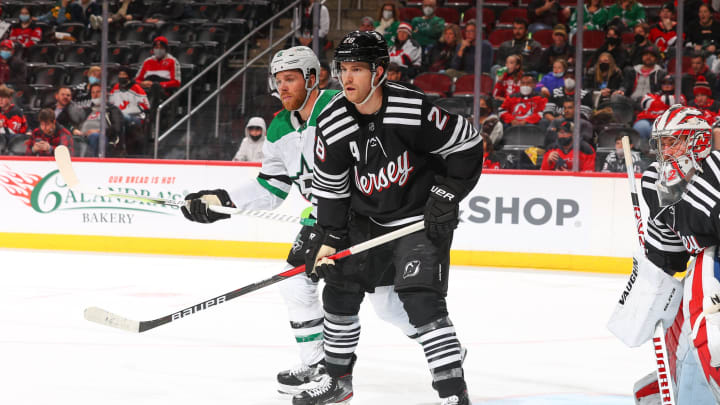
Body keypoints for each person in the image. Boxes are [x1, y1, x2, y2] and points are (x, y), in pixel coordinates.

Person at [180, 46, 417, 398]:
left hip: (366, 217)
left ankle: (437, 342)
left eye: (290, 79)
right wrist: (220, 201)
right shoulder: (277, 127)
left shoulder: (341, 107)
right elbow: (271, 187)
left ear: (311, 78)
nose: (283, 87)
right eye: (278, 81)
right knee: (299, 284)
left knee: (384, 303)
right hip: (323, 219)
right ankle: (318, 362)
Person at [295, 30, 479, 405]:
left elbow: (468, 144)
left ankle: (452, 394)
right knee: (339, 291)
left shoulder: (412, 109)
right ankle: (338, 381)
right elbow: (332, 190)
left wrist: (446, 194)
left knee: (421, 300)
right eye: (343, 68)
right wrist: (329, 237)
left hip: (418, 221)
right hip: (367, 223)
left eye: (358, 69)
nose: (347, 78)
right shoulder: (331, 124)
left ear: (379, 71)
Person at [607, 105, 720, 404]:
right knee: (688, 343)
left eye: (674, 141)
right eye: (662, 142)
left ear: (698, 141)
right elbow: (667, 256)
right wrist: (649, 291)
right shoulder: (655, 179)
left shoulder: (715, 169)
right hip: (706, 268)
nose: (666, 150)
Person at [135, 36, 181, 127]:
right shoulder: (147, 61)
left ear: (166, 49)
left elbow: (176, 82)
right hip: (146, 89)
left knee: (155, 88)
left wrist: (159, 84)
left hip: (164, 91)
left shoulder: (172, 61)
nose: (158, 50)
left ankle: (150, 121)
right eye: (156, 48)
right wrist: (142, 83)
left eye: (161, 48)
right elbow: (137, 79)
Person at [109, 67, 150, 156]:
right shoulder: (115, 87)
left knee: (121, 118)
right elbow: (110, 103)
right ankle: (117, 146)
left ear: (129, 76)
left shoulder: (136, 88)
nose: (121, 76)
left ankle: (121, 147)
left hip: (136, 117)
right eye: (120, 74)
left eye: (124, 74)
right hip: (119, 117)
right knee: (116, 118)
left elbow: (146, 106)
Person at [77, 83, 125, 156]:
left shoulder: (112, 110)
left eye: (98, 92)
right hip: (83, 137)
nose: (95, 95)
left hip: (103, 139)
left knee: (94, 136)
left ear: (105, 93)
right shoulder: (88, 111)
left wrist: (98, 131)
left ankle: (92, 163)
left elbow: (117, 128)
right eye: (93, 92)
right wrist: (75, 130)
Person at [633, 74, 685, 140]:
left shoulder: (679, 97)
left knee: (655, 129)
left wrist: (655, 102)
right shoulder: (651, 95)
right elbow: (645, 103)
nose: (666, 86)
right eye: (664, 83)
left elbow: (672, 102)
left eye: (670, 84)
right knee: (640, 127)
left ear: (674, 85)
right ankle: (642, 149)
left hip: (665, 122)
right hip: (647, 119)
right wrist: (663, 103)